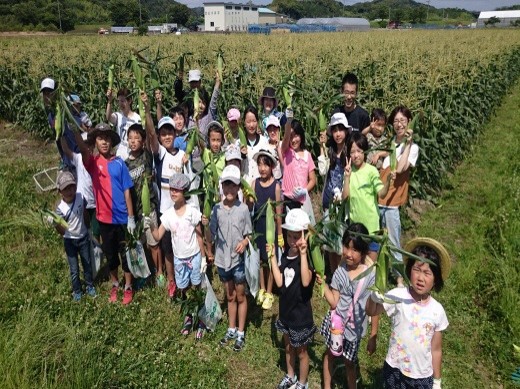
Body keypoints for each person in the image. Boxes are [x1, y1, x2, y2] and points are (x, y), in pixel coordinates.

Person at [366, 238, 450, 389]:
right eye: (416, 270)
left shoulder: (437, 311)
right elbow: (371, 311)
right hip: (394, 368)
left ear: (436, 280)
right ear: (409, 270)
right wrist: (373, 298)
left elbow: (436, 349)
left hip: (421, 376)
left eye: (427, 273)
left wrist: (437, 381)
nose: (420, 278)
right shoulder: (398, 295)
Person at [75, 123, 135, 304]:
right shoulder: (92, 163)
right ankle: (115, 283)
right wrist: (74, 130)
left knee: (126, 255)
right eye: (100, 138)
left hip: (122, 218)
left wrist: (131, 217)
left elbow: (126, 191)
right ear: (95, 141)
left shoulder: (119, 163)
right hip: (104, 219)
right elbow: (83, 149)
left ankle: (128, 286)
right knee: (110, 255)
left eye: (107, 138)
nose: (105, 142)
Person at [145, 173, 207, 339]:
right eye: (171, 189)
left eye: (177, 190)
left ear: (184, 192)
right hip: (179, 259)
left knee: (198, 287)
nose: (173, 193)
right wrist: (151, 225)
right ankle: (189, 315)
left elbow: (199, 235)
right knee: (183, 287)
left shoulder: (192, 212)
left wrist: (203, 257)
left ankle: (201, 317)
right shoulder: (168, 215)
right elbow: (157, 236)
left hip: (193, 255)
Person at [317, 224, 376, 389]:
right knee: (330, 354)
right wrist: (324, 286)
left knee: (350, 362)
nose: (349, 254)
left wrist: (374, 334)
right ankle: (327, 386)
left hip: (354, 328)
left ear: (364, 252)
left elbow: (374, 308)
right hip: (337, 324)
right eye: (346, 247)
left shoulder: (370, 276)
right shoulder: (340, 272)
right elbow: (334, 302)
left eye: (355, 250)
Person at [142, 93, 188, 298]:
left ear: (175, 134)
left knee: (181, 246)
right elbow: (150, 132)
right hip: (166, 211)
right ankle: (171, 280)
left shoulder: (182, 156)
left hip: (182, 210)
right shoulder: (159, 153)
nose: (167, 136)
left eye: (170, 132)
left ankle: (183, 278)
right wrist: (147, 107)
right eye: (163, 134)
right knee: (168, 247)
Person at [202, 165, 252, 352]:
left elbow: (249, 234)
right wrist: (206, 226)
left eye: (234, 186)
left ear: (239, 188)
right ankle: (231, 328)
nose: (230, 190)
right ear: (221, 187)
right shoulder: (216, 209)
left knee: (240, 295)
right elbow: (211, 236)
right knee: (229, 295)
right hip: (222, 261)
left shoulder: (243, 209)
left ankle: (241, 332)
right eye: (226, 185)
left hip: (237, 261)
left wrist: (245, 242)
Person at [268, 208, 315, 389]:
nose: (293, 241)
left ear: (306, 236)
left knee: (302, 352)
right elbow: (280, 282)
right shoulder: (286, 256)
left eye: (297, 236)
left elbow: (305, 281)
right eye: (290, 236)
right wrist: (272, 257)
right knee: (288, 347)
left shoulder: (308, 259)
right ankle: (290, 375)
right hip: (286, 313)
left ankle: (302, 383)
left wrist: (303, 254)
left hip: (301, 317)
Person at [378, 106, 419, 270]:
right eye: (395, 121)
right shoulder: (389, 143)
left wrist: (408, 143)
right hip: (378, 199)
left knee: (393, 242)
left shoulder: (413, 149)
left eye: (403, 120)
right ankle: (381, 273)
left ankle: (400, 279)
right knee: (378, 241)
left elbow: (401, 168)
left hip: (392, 203)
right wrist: (378, 154)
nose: (399, 124)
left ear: (409, 122)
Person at [342, 132, 394, 260]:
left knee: (370, 265)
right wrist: (347, 177)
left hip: (371, 228)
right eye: (352, 152)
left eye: (359, 151)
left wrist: (387, 181)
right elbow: (345, 199)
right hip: (355, 230)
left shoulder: (371, 171)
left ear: (364, 152)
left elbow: (381, 193)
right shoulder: (348, 173)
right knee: (357, 265)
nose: (355, 155)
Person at [47, 171, 96, 301]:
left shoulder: (80, 198)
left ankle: (90, 286)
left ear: (75, 187)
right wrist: (55, 224)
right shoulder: (60, 209)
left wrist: (89, 229)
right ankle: (77, 291)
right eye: (65, 189)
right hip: (70, 241)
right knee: (74, 269)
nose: (69, 191)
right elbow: (62, 231)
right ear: (60, 192)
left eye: (71, 187)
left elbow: (85, 213)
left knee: (87, 264)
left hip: (83, 237)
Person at [125, 123, 163, 287]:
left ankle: (160, 272)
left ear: (143, 141)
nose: (133, 141)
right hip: (135, 211)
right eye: (130, 138)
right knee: (139, 245)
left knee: (154, 243)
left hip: (149, 209)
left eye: (137, 138)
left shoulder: (146, 156)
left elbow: (151, 133)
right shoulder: (125, 164)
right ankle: (142, 273)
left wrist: (145, 110)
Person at [248, 148, 283, 310]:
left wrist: (280, 234)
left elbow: (278, 214)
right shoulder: (254, 183)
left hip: (270, 228)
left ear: (271, 167)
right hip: (257, 226)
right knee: (260, 260)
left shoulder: (276, 186)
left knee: (270, 259)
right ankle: (261, 288)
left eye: (265, 165)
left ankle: (269, 292)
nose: (262, 168)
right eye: (259, 165)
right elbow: (249, 205)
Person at [318, 112, 351, 272]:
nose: (338, 134)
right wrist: (322, 147)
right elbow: (323, 171)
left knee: (341, 245)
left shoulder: (349, 152)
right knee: (329, 245)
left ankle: (341, 274)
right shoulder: (330, 150)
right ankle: (333, 273)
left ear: (346, 131)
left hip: (342, 206)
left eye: (341, 130)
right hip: (328, 203)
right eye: (335, 130)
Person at [40, 77, 80, 172]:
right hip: (67, 162)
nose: (47, 96)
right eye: (44, 93)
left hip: (78, 160)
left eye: (50, 93)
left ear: (56, 93)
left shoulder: (67, 112)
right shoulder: (51, 116)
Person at [280, 109, 316, 212]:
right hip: (288, 200)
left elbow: (313, 179)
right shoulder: (287, 152)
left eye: (296, 135)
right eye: (291, 137)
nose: (294, 140)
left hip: (302, 202)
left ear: (301, 135)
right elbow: (285, 140)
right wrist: (288, 123)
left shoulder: (307, 155)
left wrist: (305, 190)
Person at [106, 87, 141, 161]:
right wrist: (109, 101)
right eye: (118, 101)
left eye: (122, 101)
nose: (120, 104)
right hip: (119, 156)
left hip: (133, 156)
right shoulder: (118, 116)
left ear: (129, 101)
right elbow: (108, 117)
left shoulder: (137, 118)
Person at [242, 106, 268, 183]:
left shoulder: (264, 141)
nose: (251, 125)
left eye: (254, 121)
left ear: (258, 121)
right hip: (245, 188)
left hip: (261, 186)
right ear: (244, 123)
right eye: (248, 122)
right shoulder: (239, 143)